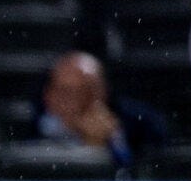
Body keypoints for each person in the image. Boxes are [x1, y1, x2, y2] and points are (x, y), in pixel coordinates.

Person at [37, 51, 168, 170]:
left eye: (87, 90)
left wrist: (111, 141)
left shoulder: (140, 123)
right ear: (48, 95)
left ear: (103, 91)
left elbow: (141, 174)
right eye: (66, 91)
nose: (77, 101)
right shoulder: (31, 124)